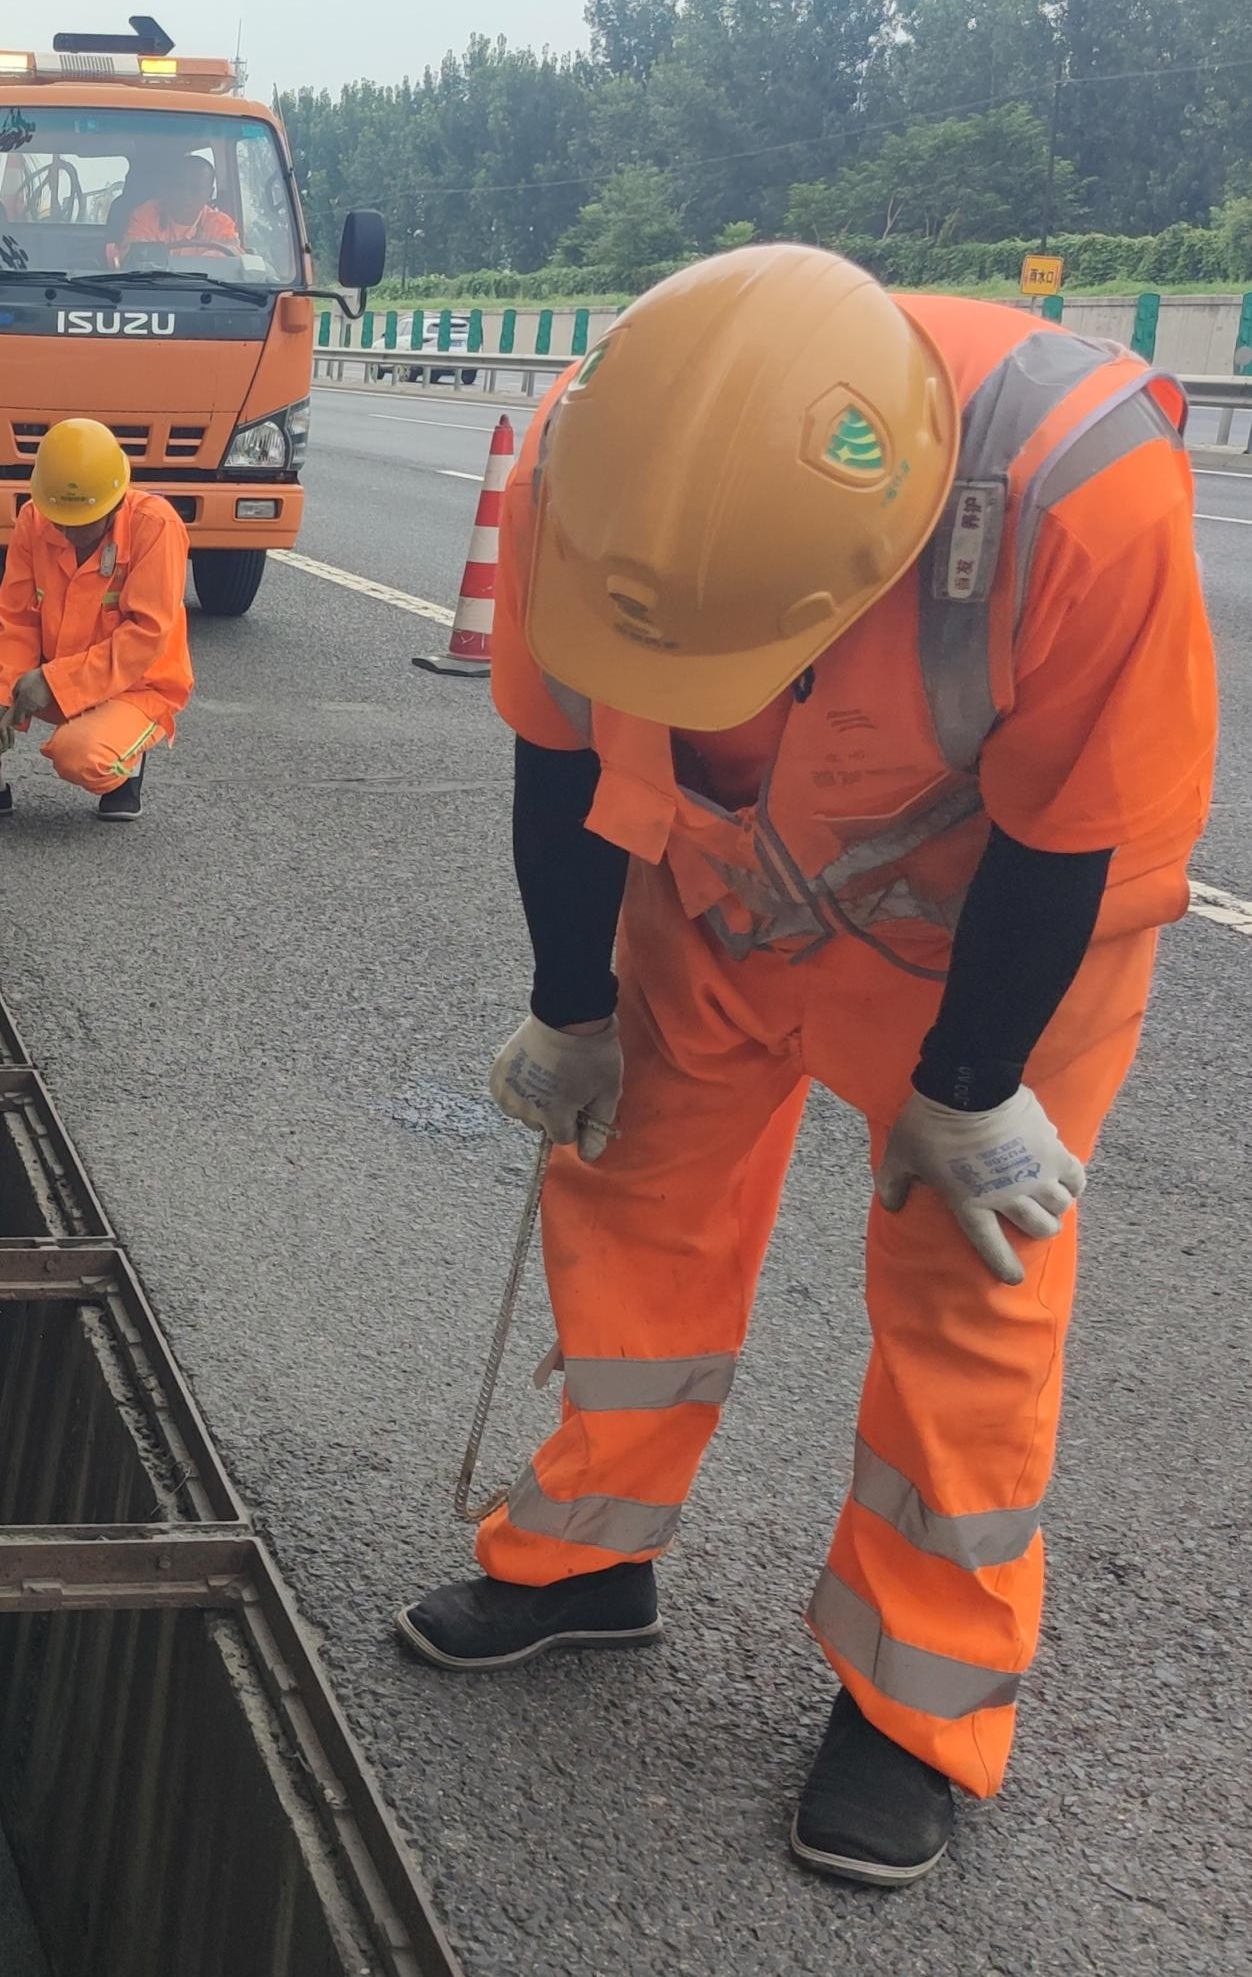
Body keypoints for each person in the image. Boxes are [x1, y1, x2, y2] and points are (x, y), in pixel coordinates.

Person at [396, 244, 1215, 1887]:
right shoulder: (605, 451)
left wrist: (971, 1083)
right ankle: (582, 1556)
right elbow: (558, 757)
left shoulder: (1073, 496)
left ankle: (913, 1708)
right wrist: (572, 1007)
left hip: (996, 932)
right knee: (631, 1183)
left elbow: (1066, 838)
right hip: (710, 880)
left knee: (967, 1285)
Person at [0, 417, 193, 823]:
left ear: (115, 504)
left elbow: (146, 636)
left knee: (80, 757)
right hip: (49, 676)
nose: (68, 533)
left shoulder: (156, 527)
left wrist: (55, 681)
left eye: (81, 524)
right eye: (60, 521)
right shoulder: (34, 519)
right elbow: (17, 621)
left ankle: (127, 765)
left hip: (132, 687)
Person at [112, 154, 239, 264]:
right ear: (169, 187)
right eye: (179, 186)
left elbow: (234, 257)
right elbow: (136, 258)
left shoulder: (220, 224)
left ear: (210, 194)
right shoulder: (146, 215)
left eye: (195, 189)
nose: (185, 195)